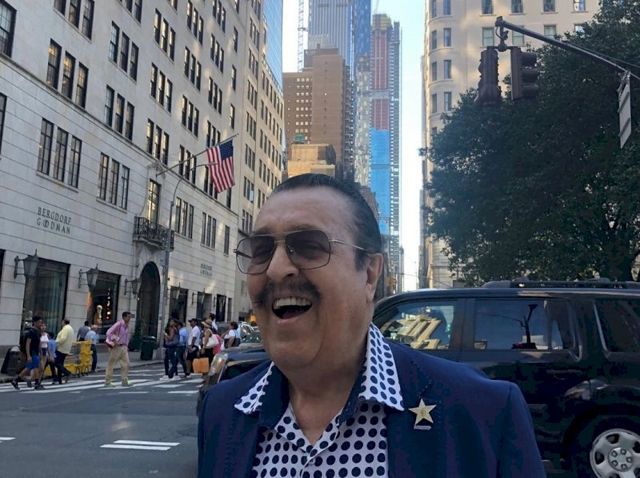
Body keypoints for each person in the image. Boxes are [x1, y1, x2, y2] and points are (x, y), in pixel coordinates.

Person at [198, 174, 546, 477]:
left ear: (369, 273)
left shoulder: (485, 412)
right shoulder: (221, 411)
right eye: (261, 250)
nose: (275, 269)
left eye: (308, 246)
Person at [11, 316, 45, 390]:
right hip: (32, 353)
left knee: (29, 368)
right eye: (39, 322)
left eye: (41, 322)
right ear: (35, 322)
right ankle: (37, 383)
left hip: (36, 352)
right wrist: (29, 355)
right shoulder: (31, 332)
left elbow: (39, 343)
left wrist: (41, 352)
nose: (41, 324)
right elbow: (28, 344)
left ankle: (15, 380)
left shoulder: (38, 332)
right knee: (35, 367)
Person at [104, 311, 132, 387]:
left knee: (126, 364)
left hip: (124, 347)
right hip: (117, 347)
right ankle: (108, 382)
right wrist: (115, 339)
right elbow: (109, 332)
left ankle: (124, 380)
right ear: (124, 317)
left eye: (130, 317)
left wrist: (126, 346)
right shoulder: (119, 324)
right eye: (128, 317)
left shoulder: (127, 326)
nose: (129, 318)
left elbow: (126, 337)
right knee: (111, 364)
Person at [54, 318, 74, 385]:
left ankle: (67, 372)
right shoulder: (70, 328)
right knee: (60, 364)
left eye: (62, 322)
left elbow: (63, 338)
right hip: (66, 349)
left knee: (56, 362)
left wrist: (56, 342)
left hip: (61, 348)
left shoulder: (65, 328)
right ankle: (59, 379)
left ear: (64, 322)